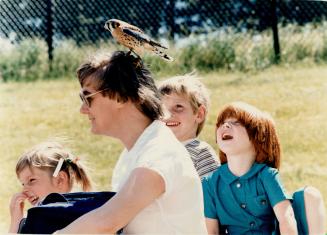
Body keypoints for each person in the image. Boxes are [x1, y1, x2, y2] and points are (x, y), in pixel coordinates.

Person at [56, 51, 207, 234]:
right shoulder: (137, 151)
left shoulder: (158, 154)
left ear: (120, 96)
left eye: (87, 97)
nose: (82, 109)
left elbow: (106, 222)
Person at [202, 101, 326, 235]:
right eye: (221, 123)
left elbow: (286, 217)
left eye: (237, 122)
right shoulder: (209, 183)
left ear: (258, 137)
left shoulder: (267, 175)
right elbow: (211, 231)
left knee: (310, 194)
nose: (225, 125)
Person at [9, 141, 92, 233]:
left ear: (60, 179)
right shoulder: (91, 208)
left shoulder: (45, 220)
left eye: (32, 180)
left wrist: (16, 222)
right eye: (23, 184)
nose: (24, 190)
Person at [158, 74, 220, 179]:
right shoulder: (156, 151)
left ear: (199, 114)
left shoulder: (201, 153)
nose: (168, 115)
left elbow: (212, 193)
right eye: (162, 109)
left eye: (178, 107)